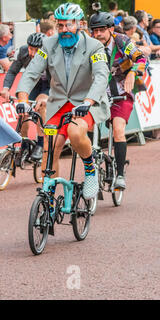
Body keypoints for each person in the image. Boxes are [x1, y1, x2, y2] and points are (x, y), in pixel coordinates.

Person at [16, 3, 110, 201]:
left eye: (69, 25)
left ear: (80, 24)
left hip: (86, 103)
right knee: (50, 147)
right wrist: (23, 98)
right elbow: (32, 72)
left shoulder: (94, 46)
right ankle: (48, 197)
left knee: (75, 133)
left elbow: (102, 76)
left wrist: (88, 100)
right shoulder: (49, 44)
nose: (64, 30)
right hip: (58, 104)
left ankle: (90, 169)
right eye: (60, 26)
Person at [89, 11, 146, 190]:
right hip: (97, 94)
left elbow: (141, 58)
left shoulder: (121, 41)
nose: (98, 34)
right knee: (87, 127)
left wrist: (132, 72)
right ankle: (90, 168)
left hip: (121, 93)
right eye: (94, 31)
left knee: (118, 129)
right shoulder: (89, 45)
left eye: (102, 30)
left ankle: (120, 174)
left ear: (111, 29)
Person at [1, 33, 49, 161]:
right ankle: (24, 144)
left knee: (40, 106)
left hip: (50, 84)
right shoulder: (23, 52)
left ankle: (40, 143)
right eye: (30, 48)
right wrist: (6, 88)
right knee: (23, 110)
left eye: (36, 50)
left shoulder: (51, 54)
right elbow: (12, 71)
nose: (32, 53)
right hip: (33, 83)